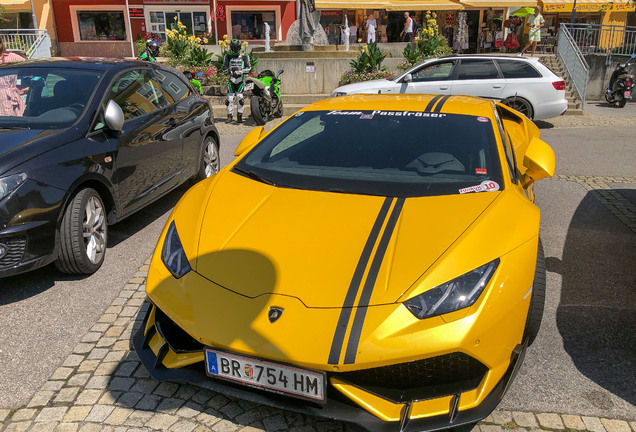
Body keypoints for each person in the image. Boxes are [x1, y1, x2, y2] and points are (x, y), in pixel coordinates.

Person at [222, 38, 251, 123]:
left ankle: (239, 116)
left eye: (236, 47)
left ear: (239, 47)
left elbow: (249, 68)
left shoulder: (244, 56)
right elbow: (224, 68)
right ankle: (230, 116)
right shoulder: (228, 56)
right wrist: (229, 71)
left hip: (240, 80)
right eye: (233, 48)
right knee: (229, 98)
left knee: (240, 97)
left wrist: (241, 71)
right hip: (231, 80)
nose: (235, 49)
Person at [0, 35, 26, 117]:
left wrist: (29, 88)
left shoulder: (12, 57)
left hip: (12, 101)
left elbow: (34, 70)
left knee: (17, 127)